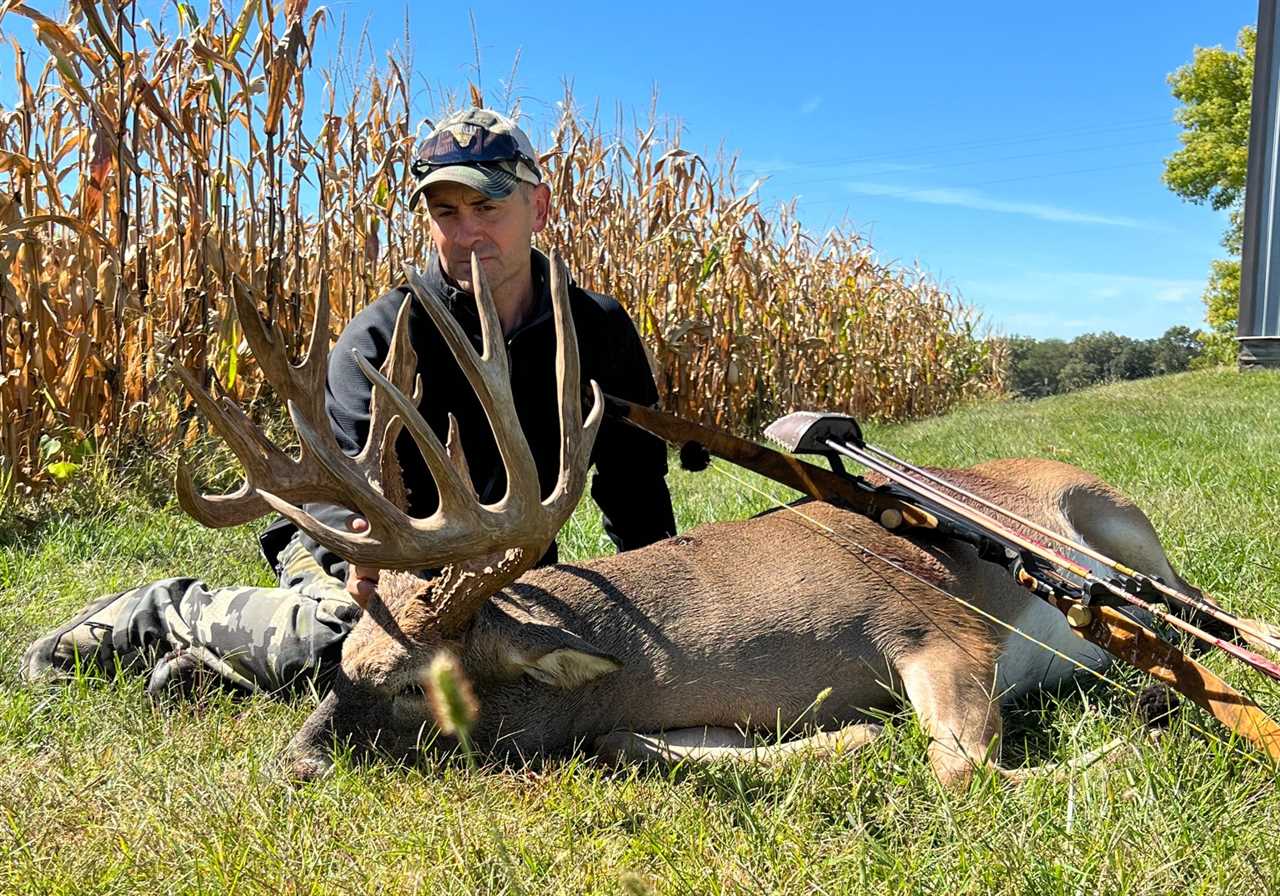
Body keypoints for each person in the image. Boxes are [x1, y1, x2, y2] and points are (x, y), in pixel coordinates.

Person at [21, 108, 677, 695]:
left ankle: (215, 673)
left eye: (488, 209)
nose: (468, 233)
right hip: (354, 550)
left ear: (540, 207)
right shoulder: (384, 337)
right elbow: (340, 492)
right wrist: (362, 561)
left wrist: (656, 601)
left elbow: (636, 491)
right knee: (363, 649)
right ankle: (165, 615)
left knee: (514, 671)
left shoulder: (594, 328)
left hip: (491, 573)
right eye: (445, 213)